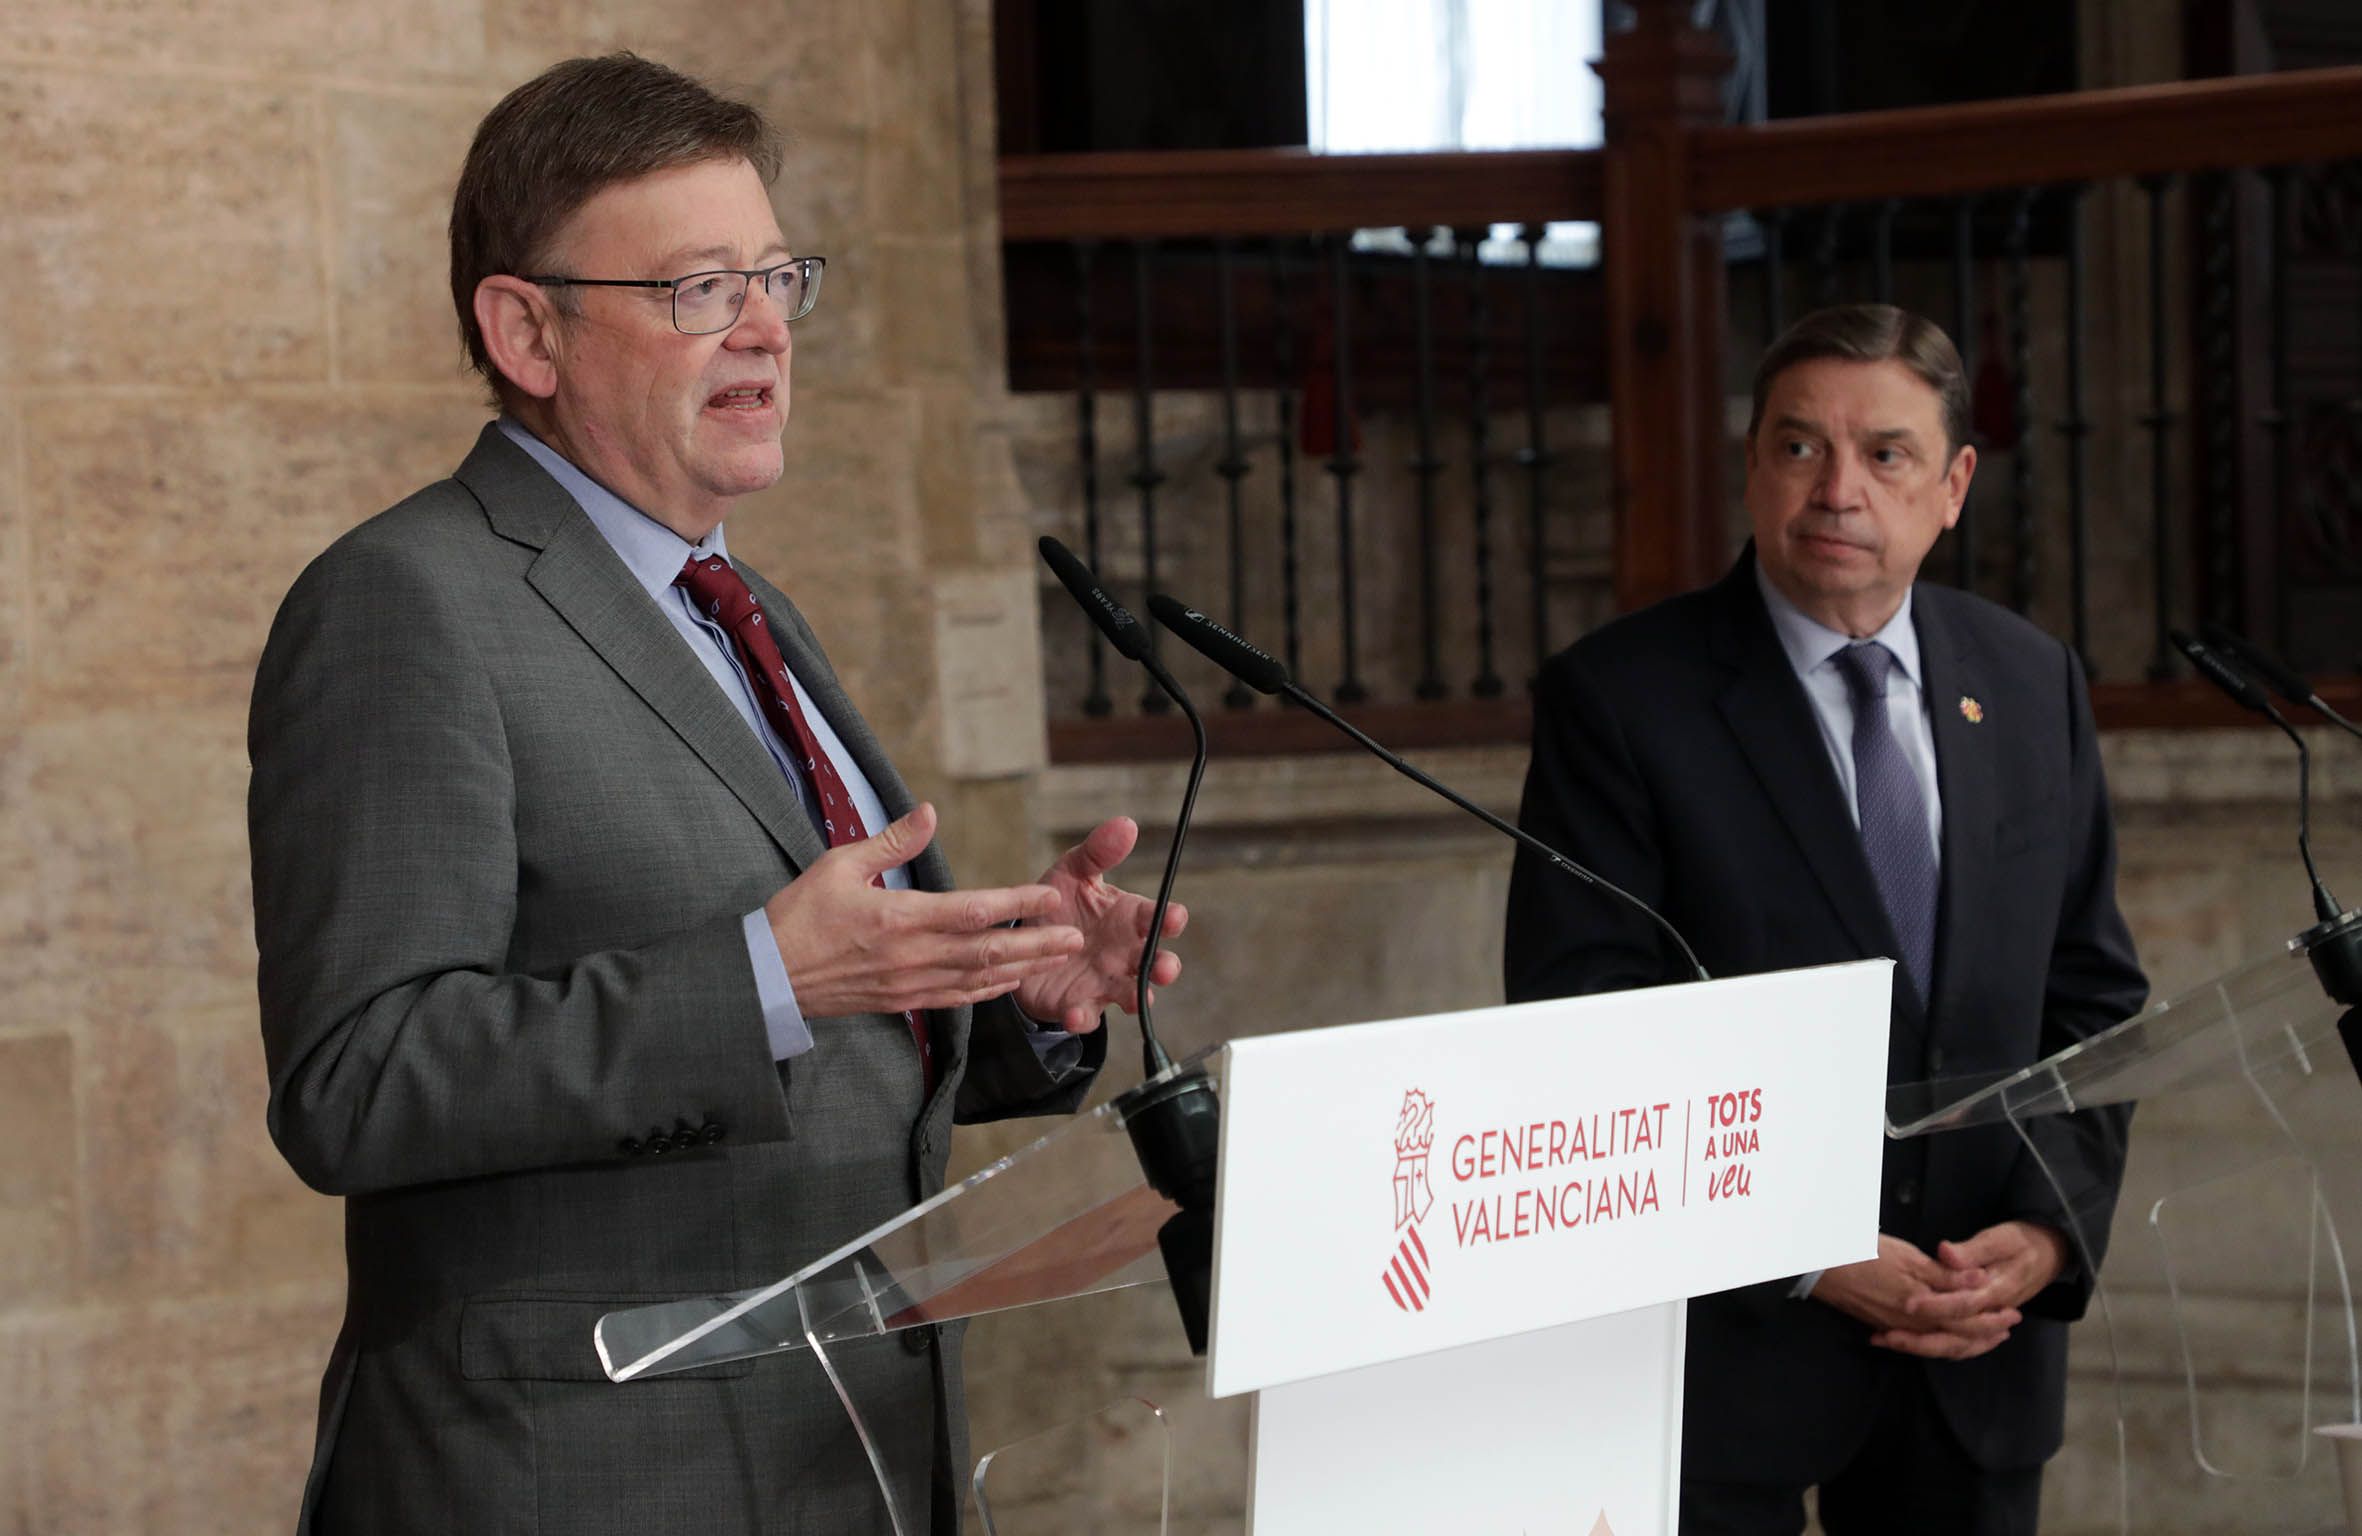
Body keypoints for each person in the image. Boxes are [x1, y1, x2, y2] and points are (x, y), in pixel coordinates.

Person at [247, 54, 1184, 1536]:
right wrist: (765, 975)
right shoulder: (405, 604)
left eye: (775, 277)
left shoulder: (739, 604)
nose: (762, 329)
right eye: (697, 288)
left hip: (846, 1458)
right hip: (579, 1482)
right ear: (525, 329)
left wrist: (1007, 991)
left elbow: (823, 1024)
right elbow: (357, 1081)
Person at [1504, 304, 2147, 1535]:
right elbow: (1584, 1025)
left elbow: (2093, 1001)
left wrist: (2043, 1234)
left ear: (1953, 485)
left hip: (1975, 1345)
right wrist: (1804, 1246)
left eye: (1886, 454)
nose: (1838, 490)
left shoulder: (2027, 681)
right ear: (1752, 467)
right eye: (1798, 448)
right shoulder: (1622, 699)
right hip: (1727, 1354)